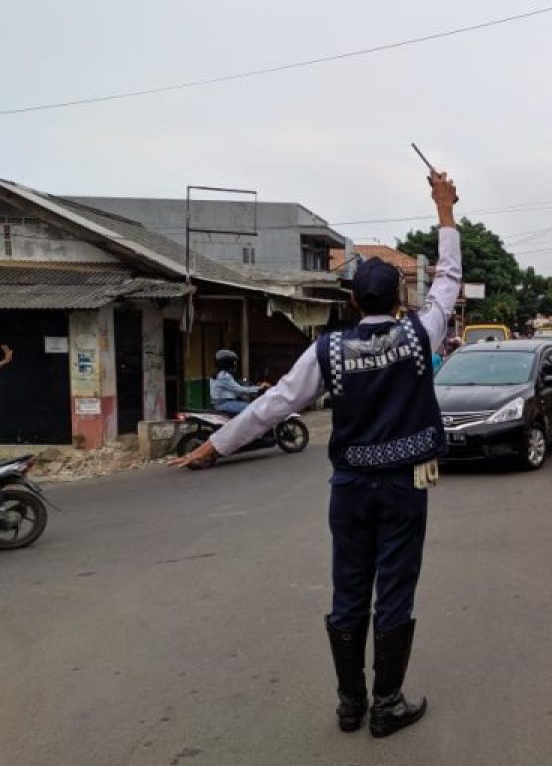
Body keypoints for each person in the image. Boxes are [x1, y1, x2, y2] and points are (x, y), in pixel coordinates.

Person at [172, 169, 462, 739]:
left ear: (352, 300)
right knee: (395, 590)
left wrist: (214, 444)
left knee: (348, 589)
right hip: (405, 487)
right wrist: (445, 209)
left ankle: (350, 703)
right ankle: (387, 703)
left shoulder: (325, 351)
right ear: (399, 298)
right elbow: (448, 279)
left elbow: (274, 406)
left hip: (350, 490)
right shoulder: (420, 334)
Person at [209, 350, 265, 415]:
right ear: (227, 362)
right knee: (252, 408)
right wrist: (258, 389)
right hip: (224, 404)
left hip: (222, 403)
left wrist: (252, 390)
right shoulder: (224, 376)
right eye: (233, 362)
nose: (235, 364)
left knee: (247, 404)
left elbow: (234, 391)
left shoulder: (219, 374)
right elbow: (239, 389)